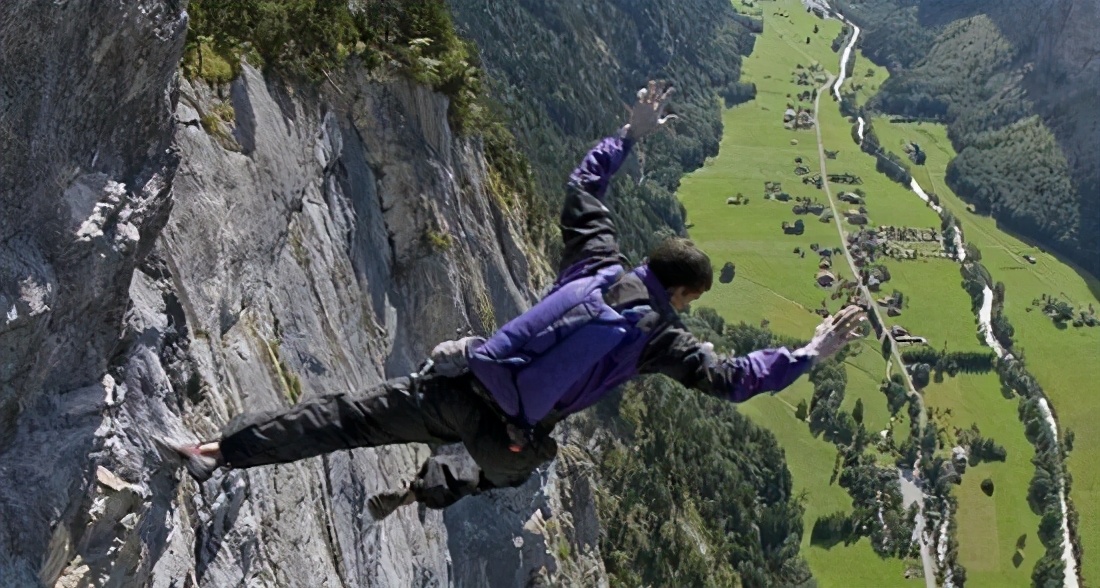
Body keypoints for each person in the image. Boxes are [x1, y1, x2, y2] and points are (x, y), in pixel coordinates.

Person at [175, 81, 867, 520]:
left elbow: (583, 188)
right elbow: (735, 380)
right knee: (502, 473)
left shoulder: (595, 260)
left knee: (341, 421)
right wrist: (810, 351)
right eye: (687, 301)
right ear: (682, 294)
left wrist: (628, 134)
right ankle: (427, 491)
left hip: (457, 384)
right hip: (508, 438)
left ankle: (217, 451)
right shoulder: (661, 336)